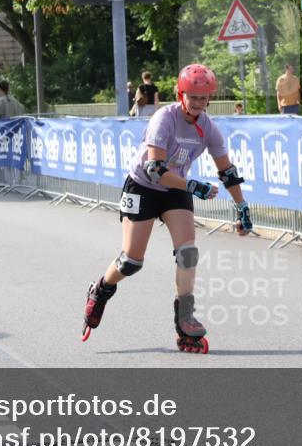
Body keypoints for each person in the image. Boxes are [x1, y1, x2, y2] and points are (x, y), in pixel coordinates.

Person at [83, 63, 254, 354]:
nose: (198, 104)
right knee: (131, 262)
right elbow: (154, 169)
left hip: (175, 190)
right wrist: (192, 186)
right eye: (193, 98)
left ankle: (184, 318)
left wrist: (242, 206)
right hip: (144, 186)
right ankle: (101, 289)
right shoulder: (165, 118)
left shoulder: (208, 127)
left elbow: (227, 171)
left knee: (188, 252)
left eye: (204, 99)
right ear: (181, 93)